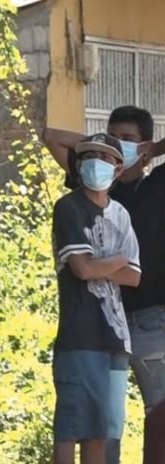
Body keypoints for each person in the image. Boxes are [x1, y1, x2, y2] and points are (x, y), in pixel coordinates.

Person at [44, 106, 165, 462]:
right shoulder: (91, 191)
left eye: (127, 139)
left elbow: (133, 273)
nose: (117, 146)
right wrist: (104, 149)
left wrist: (152, 150)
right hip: (98, 325)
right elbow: (51, 136)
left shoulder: (157, 185)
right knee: (99, 428)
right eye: (112, 136)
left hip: (152, 321)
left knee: (159, 419)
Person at [50, 133, 140, 464]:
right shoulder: (69, 207)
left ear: (118, 171)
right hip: (80, 337)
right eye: (88, 157)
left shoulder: (121, 215)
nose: (95, 165)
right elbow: (82, 268)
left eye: (104, 159)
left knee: (102, 432)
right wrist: (116, 260)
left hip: (115, 339)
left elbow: (135, 276)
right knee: (70, 430)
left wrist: (105, 266)